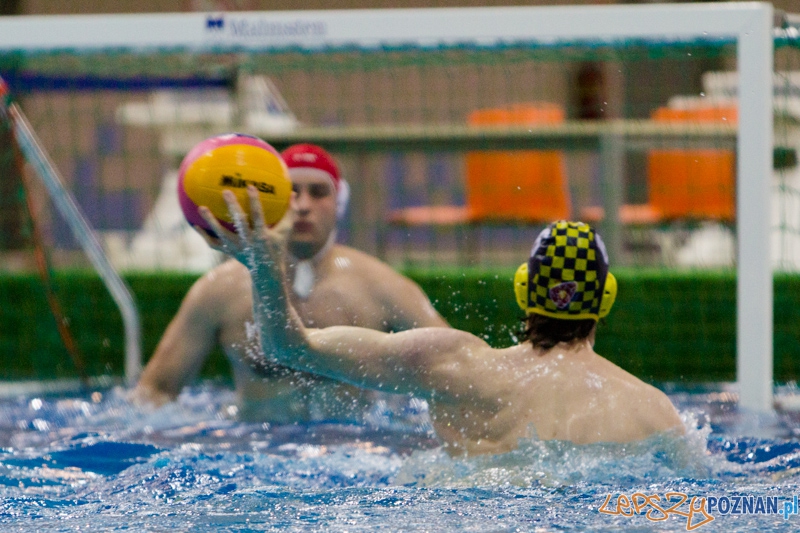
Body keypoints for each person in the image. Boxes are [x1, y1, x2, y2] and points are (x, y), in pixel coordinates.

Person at [203, 188, 684, 456]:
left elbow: (290, 347)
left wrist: (263, 268)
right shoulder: (652, 411)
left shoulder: (454, 365)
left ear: (523, 288)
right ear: (607, 299)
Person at [132, 144, 448, 422]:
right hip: (252, 452)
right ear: (274, 198)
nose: (303, 205)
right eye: (292, 191)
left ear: (339, 202)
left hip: (354, 452)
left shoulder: (383, 287)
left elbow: (462, 371)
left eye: (319, 192)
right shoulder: (220, 290)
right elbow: (155, 391)